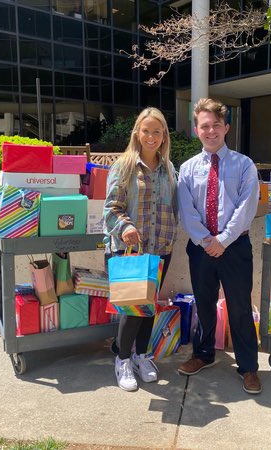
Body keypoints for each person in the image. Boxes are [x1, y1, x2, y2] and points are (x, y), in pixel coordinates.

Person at [177, 98, 261, 394]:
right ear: (196, 130)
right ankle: (203, 354)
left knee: (239, 307)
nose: (210, 131)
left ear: (226, 127)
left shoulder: (244, 165)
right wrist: (206, 241)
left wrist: (223, 240)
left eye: (215, 125)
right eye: (204, 126)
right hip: (200, 248)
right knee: (203, 303)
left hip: (235, 247)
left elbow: (246, 208)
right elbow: (187, 211)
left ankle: (248, 366)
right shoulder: (187, 169)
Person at [103, 107, 177, 391]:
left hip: (160, 247)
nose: (151, 136)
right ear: (137, 133)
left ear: (164, 136)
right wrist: (125, 226)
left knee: (148, 307)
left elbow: (176, 206)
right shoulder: (123, 166)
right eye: (146, 130)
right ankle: (122, 360)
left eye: (157, 131)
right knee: (132, 308)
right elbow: (110, 209)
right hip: (129, 249)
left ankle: (142, 356)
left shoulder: (170, 169)